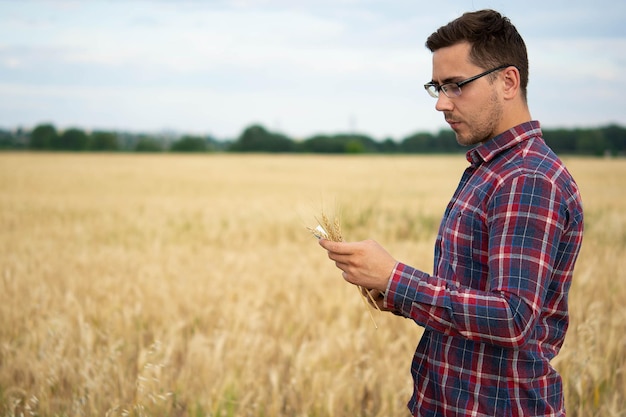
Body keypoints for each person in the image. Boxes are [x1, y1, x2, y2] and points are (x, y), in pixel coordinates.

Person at [318, 9, 584, 417]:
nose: (442, 103)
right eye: (437, 87)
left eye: (457, 86)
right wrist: (392, 293)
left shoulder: (527, 178)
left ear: (508, 81)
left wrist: (396, 277)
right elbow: (468, 298)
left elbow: (512, 318)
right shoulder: (491, 169)